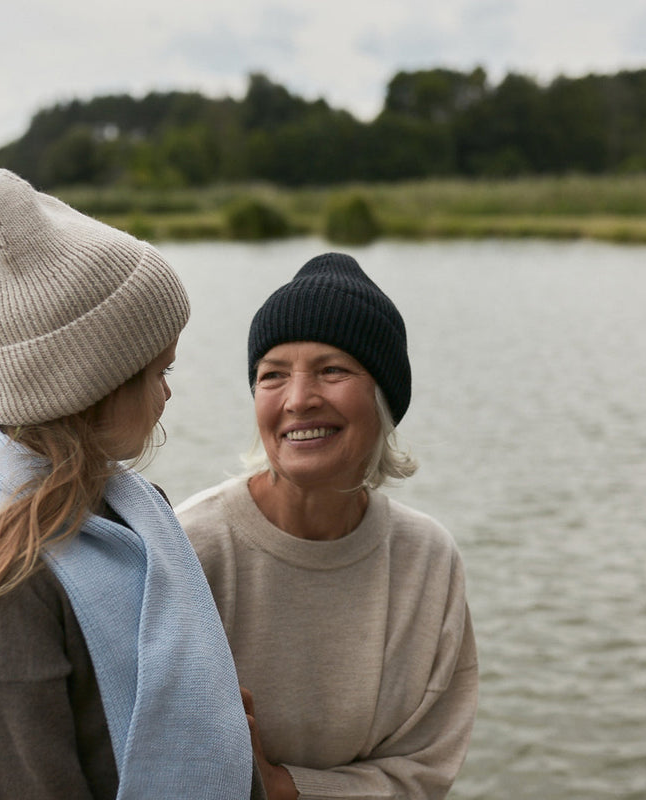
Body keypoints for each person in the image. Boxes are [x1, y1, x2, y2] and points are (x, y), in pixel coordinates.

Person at [0, 168, 264, 800]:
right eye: (157, 371)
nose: (168, 392)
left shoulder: (136, 510)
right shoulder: (7, 579)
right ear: (89, 389)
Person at [177, 252, 478, 800]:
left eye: (332, 370)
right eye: (273, 375)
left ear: (383, 397)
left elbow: (424, 772)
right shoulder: (189, 548)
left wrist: (280, 788)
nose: (298, 400)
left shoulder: (428, 560)